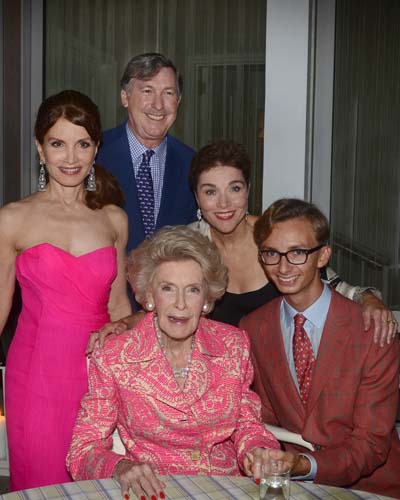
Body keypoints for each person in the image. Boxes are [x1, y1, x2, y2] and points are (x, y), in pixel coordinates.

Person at [67, 226, 281, 500]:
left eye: (192, 290)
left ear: (206, 299)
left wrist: (257, 453)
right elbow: (82, 449)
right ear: (149, 297)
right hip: (153, 491)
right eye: (168, 289)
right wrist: (119, 466)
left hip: (223, 489)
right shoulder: (114, 356)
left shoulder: (233, 345)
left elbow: (248, 426)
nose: (180, 304)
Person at [0, 90, 132, 490]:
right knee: (43, 481)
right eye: (58, 144)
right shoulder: (13, 219)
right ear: (40, 149)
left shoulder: (113, 220)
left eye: (82, 144)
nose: (71, 158)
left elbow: (119, 305)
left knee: (99, 484)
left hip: (99, 376)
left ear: (96, 150)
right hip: (36, 376)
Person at [240, 198, 400, 497]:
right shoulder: (253, 328)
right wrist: (261, 451)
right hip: (293, 486)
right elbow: (265, 416)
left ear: (323, 255)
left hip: (373, 488)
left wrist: (305, 465)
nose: (284, 266)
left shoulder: (371, 331)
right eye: (272, 253)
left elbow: (371, 444)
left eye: (298, 252)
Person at [188, 140, 397, 342]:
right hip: (219, 373)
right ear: (197, 197)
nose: (224, 203)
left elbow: (333, 284)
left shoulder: (274, 234)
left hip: (285, 371)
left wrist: (369, 299)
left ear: (248, 189)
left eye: (234, 188)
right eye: (210, 192)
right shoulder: (188, 248)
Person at [97, 53, 197, 251]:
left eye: (168, 93)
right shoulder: (94, 155)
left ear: (178, 101)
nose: (158, 105)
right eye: (147, 91)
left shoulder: (192, 164)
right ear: (125, 97)